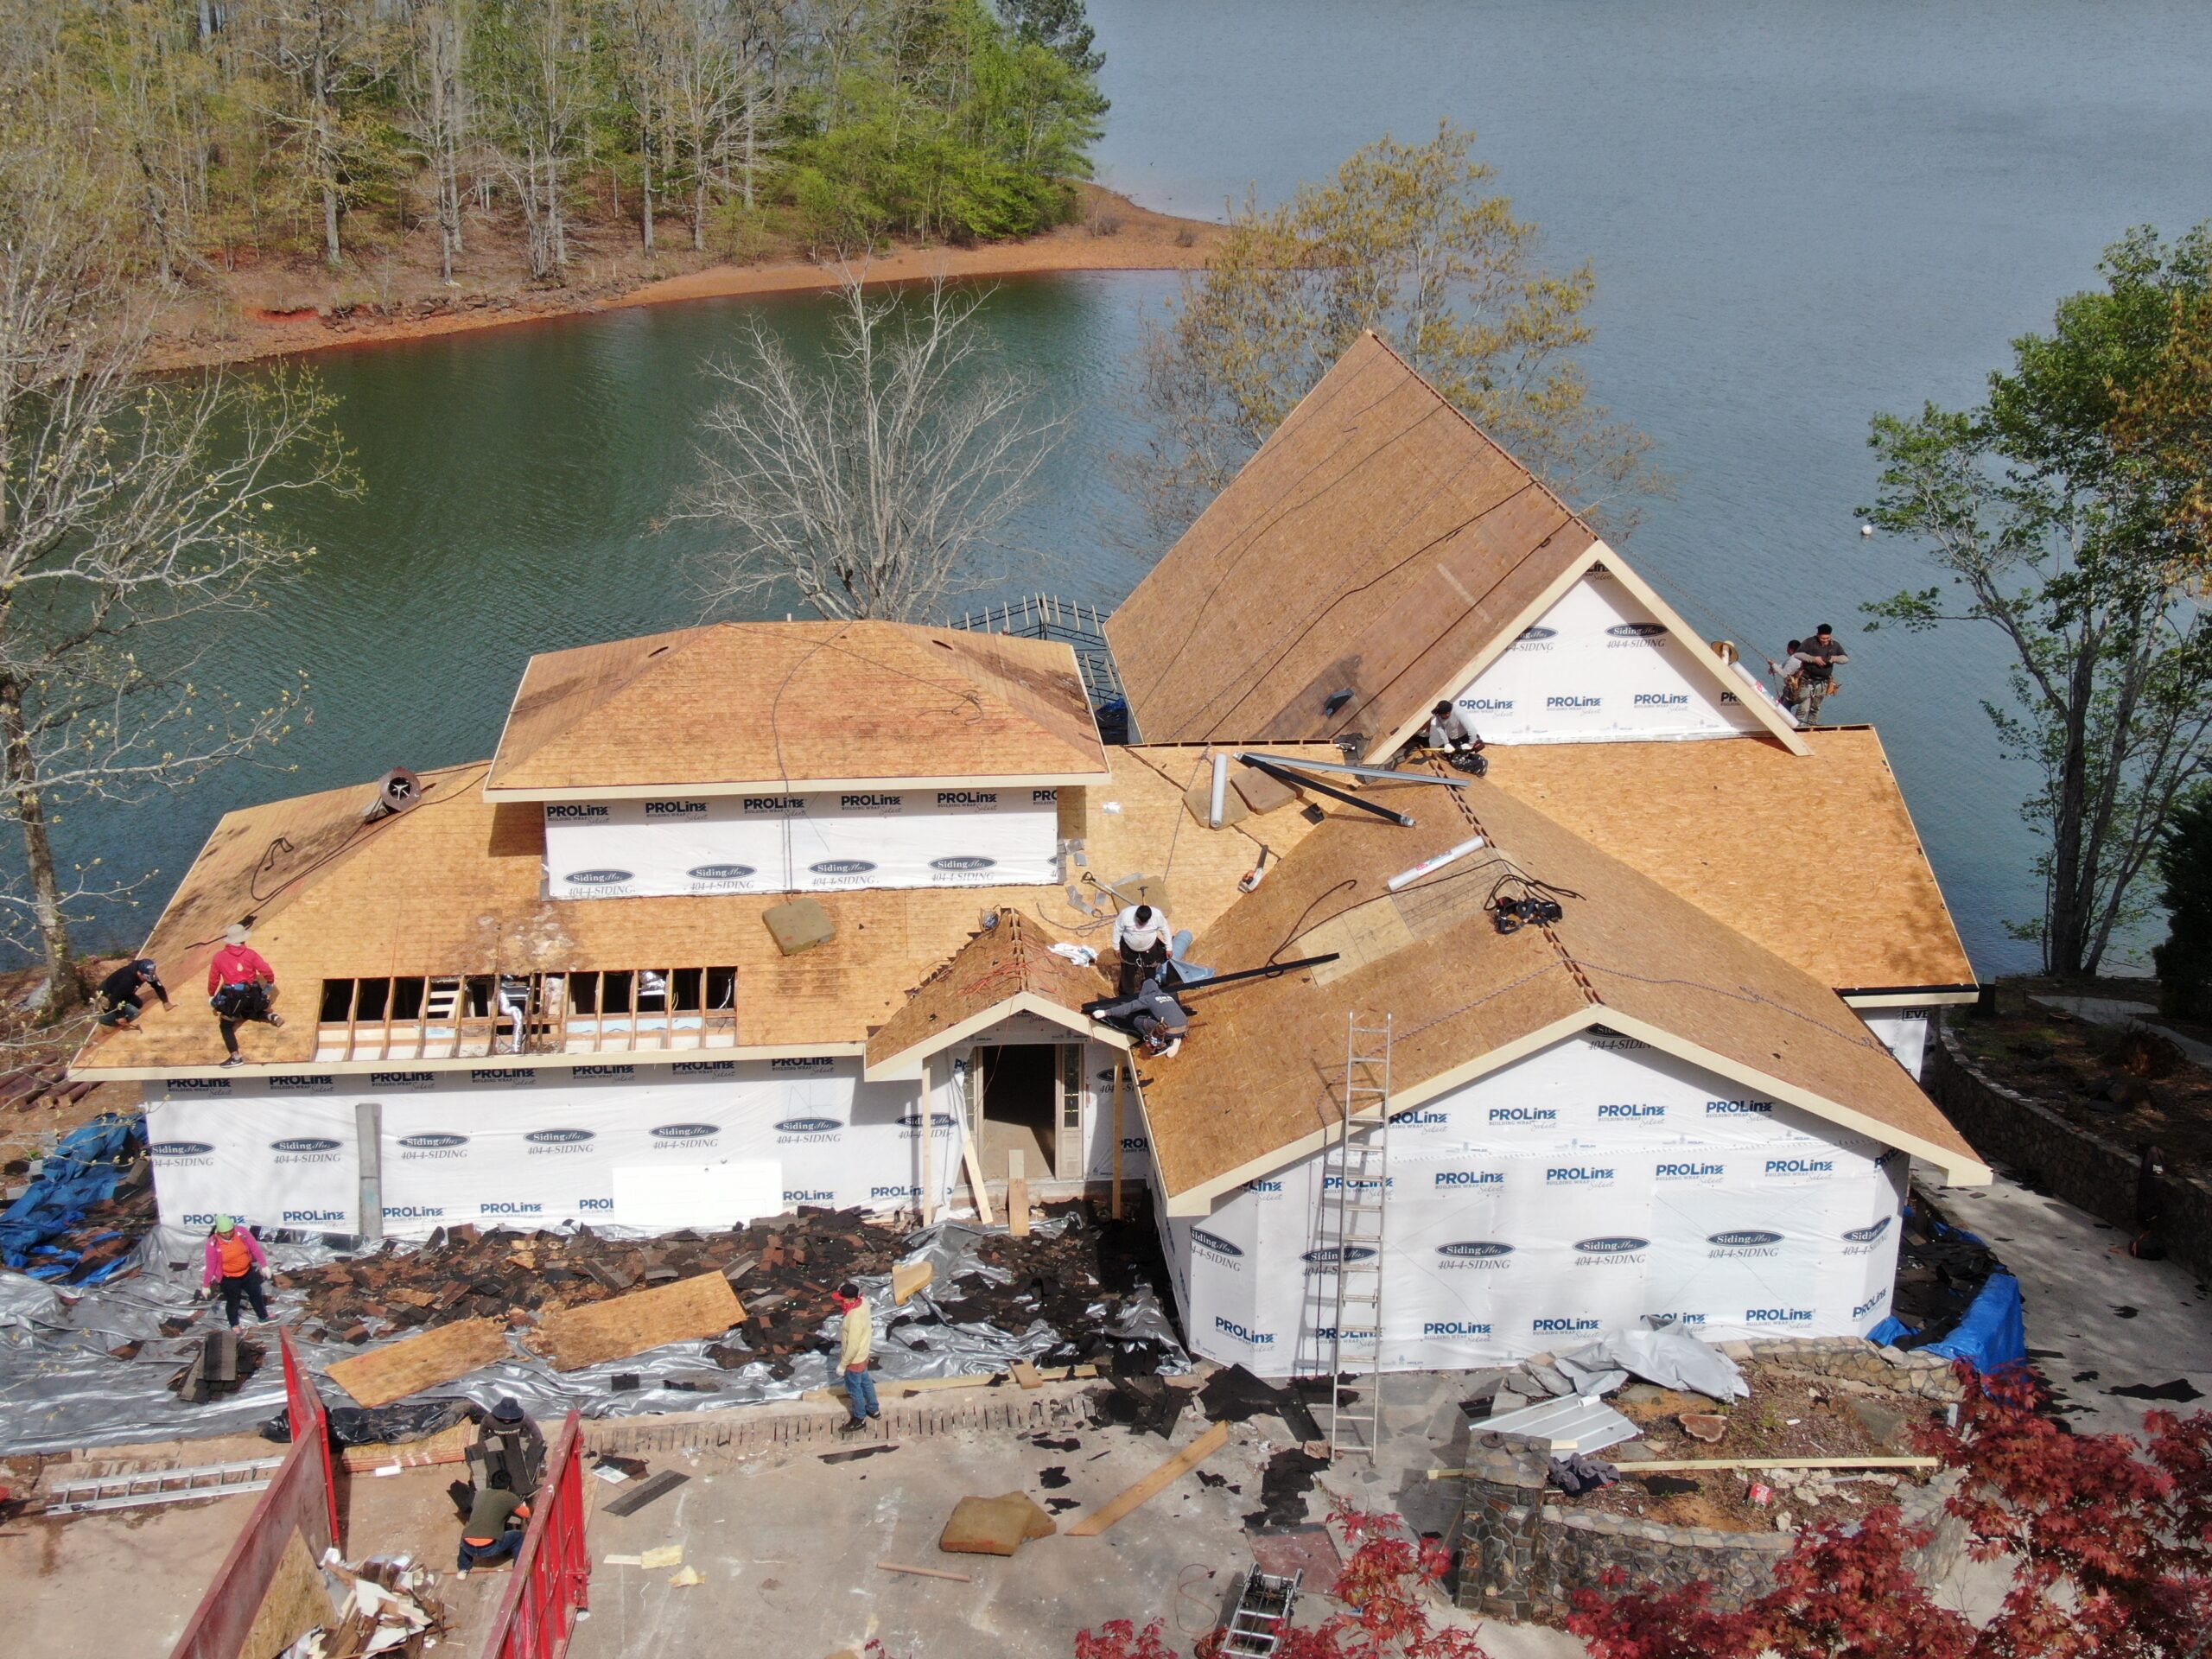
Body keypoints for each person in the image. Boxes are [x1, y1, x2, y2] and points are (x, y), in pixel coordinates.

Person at [207, 923, 284, 1068]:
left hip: (234, 996)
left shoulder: (219, 957)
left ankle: (235, 1057)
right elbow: (267, 971)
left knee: (226, 1025)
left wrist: (211, 995)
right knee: (249, 1012)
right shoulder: (251, 954)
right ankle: (269, 1016)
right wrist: (269, 984)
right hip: (253, 993)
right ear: (243, 940)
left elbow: (214, 980)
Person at [1091, 975, 1190, 1058]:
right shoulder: (1167, 995)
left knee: (1137, 1020)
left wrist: (1106, 1012)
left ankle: (1157, 1044)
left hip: (1169, 1030)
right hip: (1184, 1027)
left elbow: (1128, 1008)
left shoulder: (1149, 998)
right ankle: (1176, 1039)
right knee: (1162, 1020)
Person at [455, 1473, 531, 1579]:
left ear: (491, 1483)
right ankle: (518, 1569)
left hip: (468, 1547)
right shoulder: (509, 1496)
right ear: (508, 1486)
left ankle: (462, 1569)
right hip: (489, 1548)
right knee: (518, 1536)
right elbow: (526, 1514)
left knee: (466, 1533)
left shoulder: (479, 1495)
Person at [200, 1215, 270, 1326]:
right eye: (224, 1233)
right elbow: (211, 1266)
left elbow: (254, 1248)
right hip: (229, 1278)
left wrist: (264, 1265)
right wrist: (206, 1285)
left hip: (247, 1272)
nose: (228, 1234)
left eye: (230, 1231)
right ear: (218, 1232)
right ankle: (234, 1323)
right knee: (233, 1301)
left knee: (256, 1294)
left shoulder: (241, 1233)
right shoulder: (213, 1243)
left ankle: (262, 1317)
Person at [472, 1398, 547, 1497]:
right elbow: (482, 1435)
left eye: (510, 1417)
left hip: (519, 1446)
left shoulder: (524, 1418)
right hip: (498, 1447)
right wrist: (483, 1453)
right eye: (504, 1416)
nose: (507, 1419)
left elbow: (536, 1434)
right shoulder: (489, 1419)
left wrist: (539, 1455)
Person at [834, 1281, 879, 1433]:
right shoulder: (863, 1302)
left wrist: (843, 1365)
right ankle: (873, 1409)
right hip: (863, 1355)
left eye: (843, 1299)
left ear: (851, 1299)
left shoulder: (853, 1317)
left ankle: (859, 1418)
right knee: (866, 1382)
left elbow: (852, 1346)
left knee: (855, 1390)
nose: (841, 1301)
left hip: (854, 1360)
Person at [1112, 902, 1172, 997]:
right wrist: (1116, 947)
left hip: (1149, 949)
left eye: (1144, 923)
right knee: (1128, 973)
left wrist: (1169, 948)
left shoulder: (1157, 915)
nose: (1141, 925)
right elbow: (1117, 929)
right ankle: (1126, 996)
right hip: (1129, 949)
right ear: (1136, 916)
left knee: (1150, 973)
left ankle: (1150, 994)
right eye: (1139, 922)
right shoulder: (1126, 915)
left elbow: (1165, 930)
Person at [1795, 625, 1850, 723]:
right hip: (1808, 680)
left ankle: (1812, 728)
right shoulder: (1809, 642)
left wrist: (1835, 658)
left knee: (1815, 709)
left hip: (1823, 682)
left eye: (1827, 638)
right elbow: (1797, 654)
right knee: (1803, 708)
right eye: (1822, 638)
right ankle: (1798, 728)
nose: (1825, 640)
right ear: (1817, 635)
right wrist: (1813, 659)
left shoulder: (1835, 645)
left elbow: (1846, 659)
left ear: (1831, 636)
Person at [96, 958, 171, 1029]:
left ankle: (124, 1010)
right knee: (134, 1013)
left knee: (139, 1004)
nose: (147, 980)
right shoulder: (127, 980)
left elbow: (157, 986)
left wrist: (165, 1001)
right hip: (108, 995)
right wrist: (120, 1016)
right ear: (139, 973)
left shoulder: (146, 972)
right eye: (146, 978)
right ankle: (104, 1020)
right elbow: (114, 998)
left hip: (122, 992)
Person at [1426, 701, 1487, 773]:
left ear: (1448, 714)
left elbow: (1471, 729)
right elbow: (1440, 728)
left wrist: (1470, 744)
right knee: (1444, 753)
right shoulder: (1439, 715)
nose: (1439, 717)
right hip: (1454, 739)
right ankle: (1469, 756)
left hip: (1465, 739)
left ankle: (1480, 763)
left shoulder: (1459, 712)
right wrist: (1446, 743)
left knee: (1457, 762)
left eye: (1441, 715)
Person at [1764, 640, 1808, 720]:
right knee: (1785, 706)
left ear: (1791, 650)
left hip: (1795, 690)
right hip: (1801, 690)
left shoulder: (1794, 659)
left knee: (1785, 707)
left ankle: (1784, 722)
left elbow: (1785, 674)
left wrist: (1773, 665)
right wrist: (1774, 668)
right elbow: (1782, 667)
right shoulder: (1798, 658)